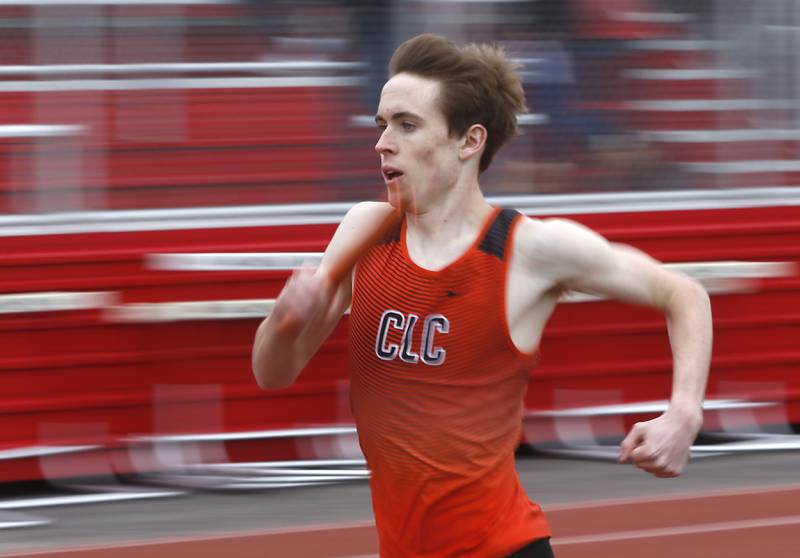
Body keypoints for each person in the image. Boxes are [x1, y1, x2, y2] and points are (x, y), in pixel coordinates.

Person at [252, 33, 712, 558]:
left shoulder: (528, 248)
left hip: (502, 549)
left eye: (406, 124)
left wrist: (683, 415)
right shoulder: (366, 229)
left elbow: (684, 293)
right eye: (381, 125)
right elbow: (273, 373)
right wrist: (288, 320)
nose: (382, 143)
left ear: (469, 141)